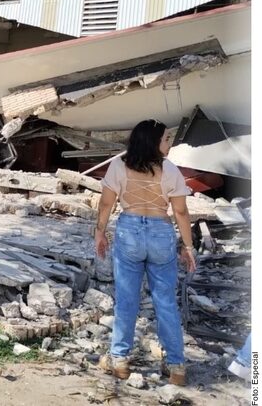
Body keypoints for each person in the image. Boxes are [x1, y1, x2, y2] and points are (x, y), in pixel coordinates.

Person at [95, 119, 196, 386]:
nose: (169, 143)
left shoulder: (119, 166)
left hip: (129, 230)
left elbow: (106, 203)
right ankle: (176, 367)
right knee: (165, 301)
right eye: (165, 138)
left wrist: (100, 232)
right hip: (161, 232)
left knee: (127, 299)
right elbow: (181, 212)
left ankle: (120, 361)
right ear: (152, 141)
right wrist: (188, 247)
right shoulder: (171, 170)